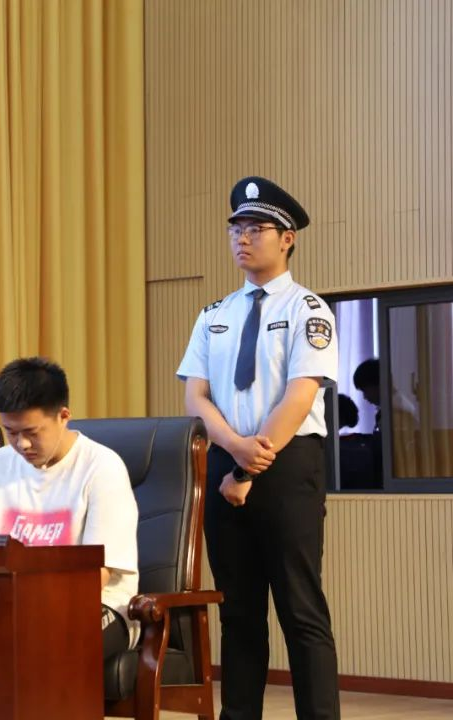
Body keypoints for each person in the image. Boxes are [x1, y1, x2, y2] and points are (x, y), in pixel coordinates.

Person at [177, 176, 340, 719]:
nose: (242, 239)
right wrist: (233, 449)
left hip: (287, 465)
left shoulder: (309, 310)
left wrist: (250, 465)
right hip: (225, 461)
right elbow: (195, 396)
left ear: (287, 238)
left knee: (301, 609)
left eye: (256, 229)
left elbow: (300, 395)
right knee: (238, 613)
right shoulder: (214, 315)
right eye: (236, 229)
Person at [0, 357, 138, 659]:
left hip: (98, 604)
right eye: (11, 432)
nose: (22, 444)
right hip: (14, 605)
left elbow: (97, 573)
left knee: (43, 639)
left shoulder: (101, 467)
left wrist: (33, 608)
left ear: (64, 416)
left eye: (32, 432)